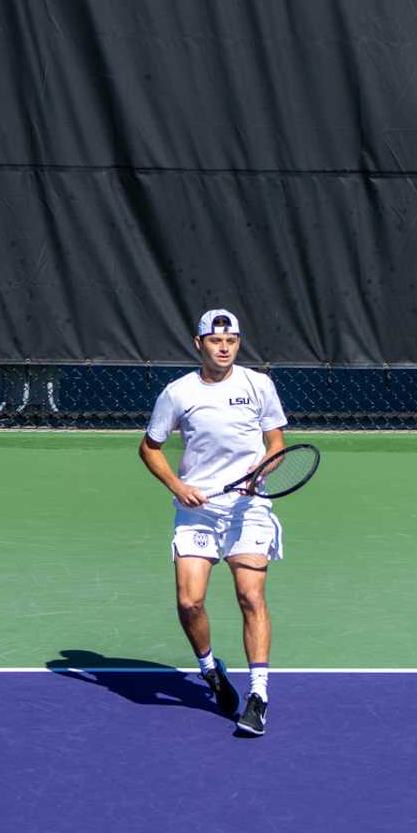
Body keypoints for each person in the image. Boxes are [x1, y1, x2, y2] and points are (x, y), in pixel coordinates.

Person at [136, 308, 288, 737]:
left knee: (250, 595)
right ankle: (209, 669)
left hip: (248, 509)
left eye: (232, 341)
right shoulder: (177, 393)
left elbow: (276, 442)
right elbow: (150, 448)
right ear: (198, 344)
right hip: (197, 509)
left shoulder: (259, 385)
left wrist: (263, 471)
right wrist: (176, 486)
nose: (224, 348)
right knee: (190, 602)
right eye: (216, 341)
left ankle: (258, 696)